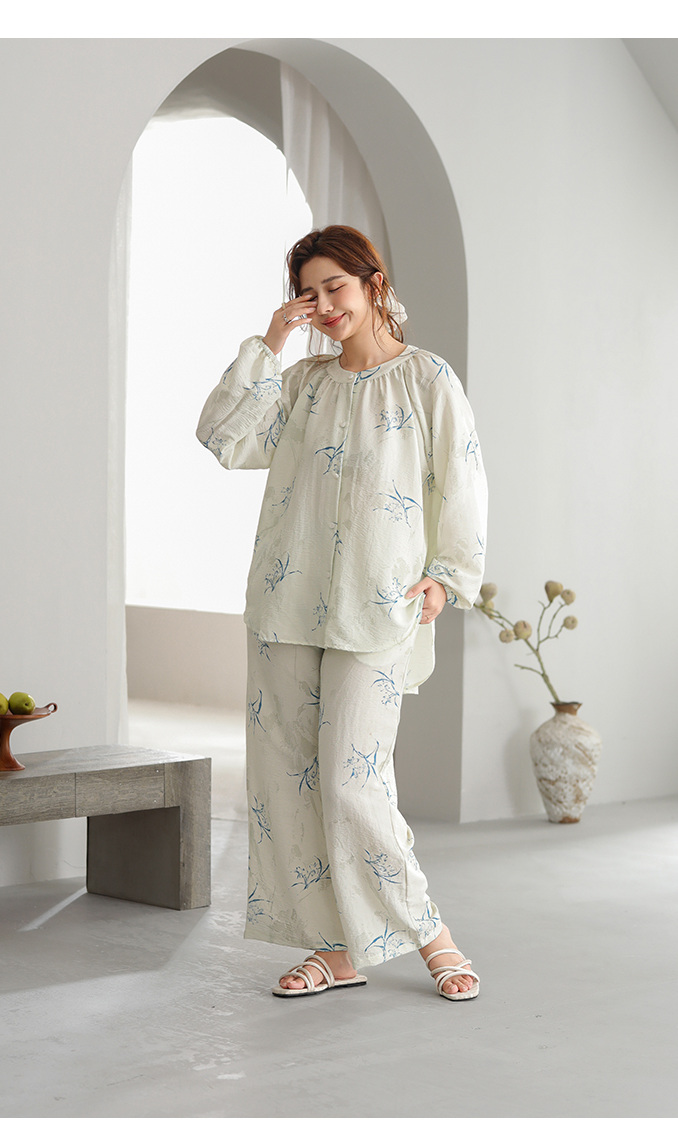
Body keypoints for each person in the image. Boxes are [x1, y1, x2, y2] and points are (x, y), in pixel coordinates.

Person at [196, 225, 488, 1000]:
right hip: (285, 604)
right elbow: (223, 438)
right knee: (286, 781)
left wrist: (447, 575)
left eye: (335, 287)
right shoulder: (302, 383)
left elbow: (462, 481)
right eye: (308, 294)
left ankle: (432, 935)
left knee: (355, 782)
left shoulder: (427, 379)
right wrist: (271, 343)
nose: (324, 306)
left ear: (372, 283)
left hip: (378, 605)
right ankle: (334, 950)